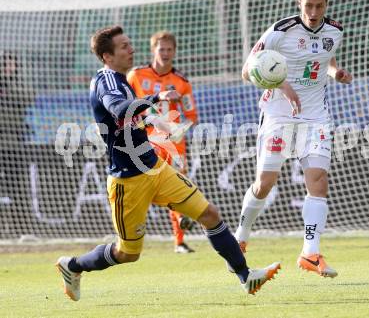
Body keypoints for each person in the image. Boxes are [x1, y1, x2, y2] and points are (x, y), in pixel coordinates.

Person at [55, 25, 280, 301]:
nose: (131, 49)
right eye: (124, 46)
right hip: (129, 180)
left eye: (129, 43)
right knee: (127, 253)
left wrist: (157, 116)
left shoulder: (121, 78)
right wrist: (153, 102)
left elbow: (132, 116)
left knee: (209, 214)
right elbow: (119, 109)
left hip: (155, 167)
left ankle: (246, 277)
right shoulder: (108, 81)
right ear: (107, 56)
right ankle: (72, 266)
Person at [234, 0, 352, 278]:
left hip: (316, 117)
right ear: (299, 3)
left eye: (319, 5)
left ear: (326, 4)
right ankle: (241, 235)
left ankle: (310, 253)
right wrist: (282, 85)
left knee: (318, 179)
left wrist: (335, 71)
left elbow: (324, 58)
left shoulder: (335, 31)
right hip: (277, 115)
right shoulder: (280, 31)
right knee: (265, 182)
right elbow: (248, 71)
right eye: (308, 5)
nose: (313, 11)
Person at [127, 31, 197, 254]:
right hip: (143, 139)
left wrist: (180, 129)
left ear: (174, 52)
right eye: (161, 49)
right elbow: (125, 106)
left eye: (169, 50)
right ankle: (128, 235)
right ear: (153, 51)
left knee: (178, 183)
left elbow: (192, 115)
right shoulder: (136, 76)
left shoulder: (182, 83)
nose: (165, 54)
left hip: (174, 143)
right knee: (142, 187)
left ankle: (180, 241)